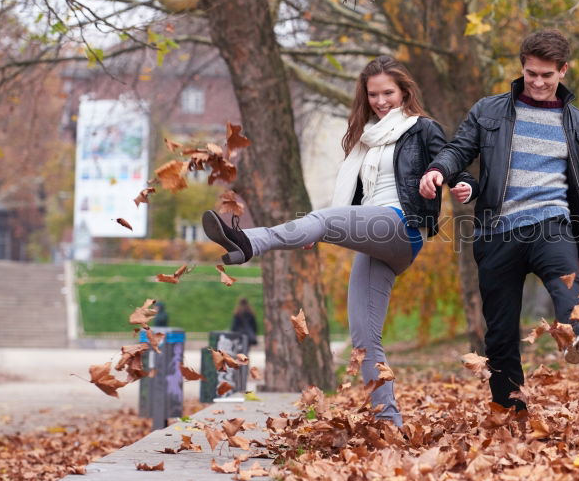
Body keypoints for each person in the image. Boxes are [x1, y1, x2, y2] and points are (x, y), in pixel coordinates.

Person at [201, 56, 477, 428]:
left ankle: (249, 241)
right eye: (374, 94)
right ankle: (389, 423)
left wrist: (461, 184)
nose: (381, 101)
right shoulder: (364, 139)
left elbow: (452, 163)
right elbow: (354, 202)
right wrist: (319, 231)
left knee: (324, 217)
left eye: (388, 93)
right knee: (364, 341)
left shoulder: (422, 128)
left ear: (405, 91)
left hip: (401, 225)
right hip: (373, 236)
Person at [419, 29, 579, 412]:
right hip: (497, 231)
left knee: (565, 279)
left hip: (551, 221)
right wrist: (439, 170)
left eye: (547, 75)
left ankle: (578, 330)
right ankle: (511, 413)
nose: (538, 82)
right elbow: (459, 148)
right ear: (522, 68)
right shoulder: (488, 111)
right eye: (531, 74)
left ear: (563, 71)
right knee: (501, 335)